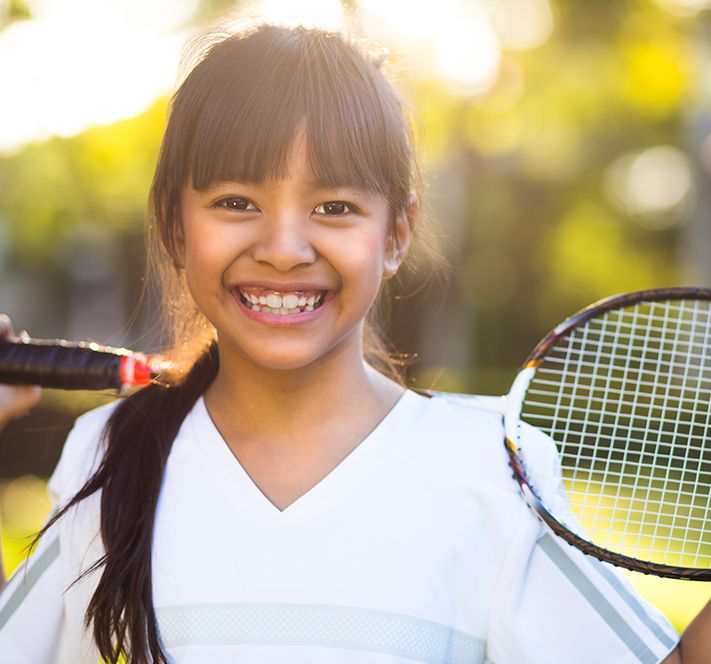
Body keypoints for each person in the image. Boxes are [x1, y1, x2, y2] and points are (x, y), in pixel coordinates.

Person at [0, 22, 708, 664]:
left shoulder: (493, 466)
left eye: (334, 207)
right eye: (235, 203)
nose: (282, 248)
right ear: (175, 225)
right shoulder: (105, 454)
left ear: (395, 233)